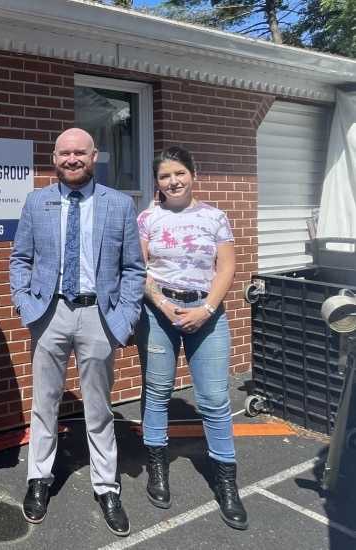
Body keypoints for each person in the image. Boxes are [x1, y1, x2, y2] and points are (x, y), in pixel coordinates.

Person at [8, 128, 145, 537]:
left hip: (99, 316)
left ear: (94, 156)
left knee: (99, 409)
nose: (72, 159)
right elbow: (20, 258)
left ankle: (106, 487)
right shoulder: (38, 201)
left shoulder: (118, 205)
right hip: (49, 313)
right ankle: (38, 479)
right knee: (44, 403)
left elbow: (134, 269)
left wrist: (124, 317)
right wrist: (26, 305)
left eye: (79, 153)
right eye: (65, 153)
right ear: (55, 158)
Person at [136, 146, 247, 529]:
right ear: (157, 183)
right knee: (157, 391)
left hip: (207, 312)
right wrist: (164, 305)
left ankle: (227, 481)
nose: (173, 181)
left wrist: (207, 309)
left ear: (193, 173)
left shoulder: (214, 217)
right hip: (158, 314)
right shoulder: (147, 218)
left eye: (179, 173)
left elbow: (227, 266)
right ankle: (157, 467)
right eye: (165, 176)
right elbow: (139, 268)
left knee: (215, 398)